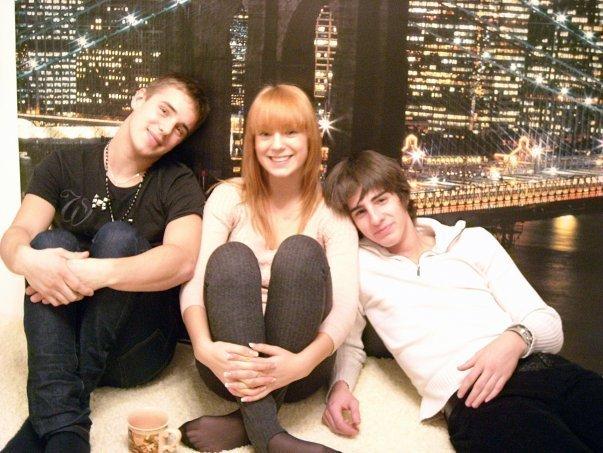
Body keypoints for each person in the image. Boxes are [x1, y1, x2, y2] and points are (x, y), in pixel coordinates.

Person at [322, 150, 603, 452]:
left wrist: (512, 341)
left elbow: (548, 324)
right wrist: (339, 387)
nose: (376, 219)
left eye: (381, 200)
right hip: (477, 398)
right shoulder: (357, 265)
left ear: (401, 195)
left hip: (544, 370)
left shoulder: (473, 240)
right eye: (360, 212)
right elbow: (348, 341)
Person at [0, 74, 209, 453]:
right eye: (164, 111)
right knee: (46, 244)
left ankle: (56, 411)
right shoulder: (64, 162)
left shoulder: (178, 182)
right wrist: (27, 260)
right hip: (69, 337)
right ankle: (67, 428)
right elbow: (17, 234)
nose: (166, 129)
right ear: (139, 98)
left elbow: (181, 261)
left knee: (119, 239)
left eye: (180, 128)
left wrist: (97, 272)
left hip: (137, 348)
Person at [179, 84, 358, 453]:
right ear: (252, 142)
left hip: (300, 373)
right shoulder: (228, 196)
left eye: (290, 132)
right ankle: (272, 438)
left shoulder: (332, 211)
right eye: (265, 134)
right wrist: (202, 348)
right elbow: (195, 284)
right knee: (231, 257)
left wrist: (301, 364)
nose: (277, 145)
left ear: (310, 139)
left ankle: (249, 424)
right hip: (225, 368)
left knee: (300, 252)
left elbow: (345, 308)